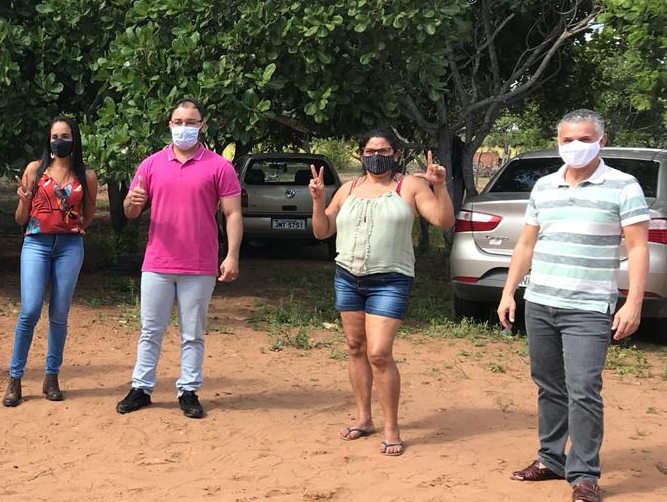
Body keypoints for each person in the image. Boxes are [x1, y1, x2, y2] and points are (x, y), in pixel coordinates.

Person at [497, 109, 649, 502]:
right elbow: (527, 243)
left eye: (584, 139)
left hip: (589, 306)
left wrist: (633, 303)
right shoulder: (545, 186)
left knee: (583, 389)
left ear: (602, 140)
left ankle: (583, 474)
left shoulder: (623, 186)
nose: (575, 147)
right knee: (548, 386)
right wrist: (508, 291)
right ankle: (550, 458)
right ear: (558, 141)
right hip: (541, 301)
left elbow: (637, 247)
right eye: (568, 140)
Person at [309, 129, 454, 456]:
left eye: (385, 150)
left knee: (379, 353)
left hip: (390, 280)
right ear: (361, 154)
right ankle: (364, 418)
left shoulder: (410, 187)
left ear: (397, 154)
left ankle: (391, 426)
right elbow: (322, 231)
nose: (378, 155)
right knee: (355, 347)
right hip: (348, 277)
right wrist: (318, 201)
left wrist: (440, 186)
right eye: (372, 150)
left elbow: (443, 220)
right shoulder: (348, 189)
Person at [115, 99, 242, 419]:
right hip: (157, 262)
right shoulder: (151, 164)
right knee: (150, 330)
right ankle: (141, 388)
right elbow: (131, 212)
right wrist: (132, 201)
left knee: (192, 332)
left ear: (202, 125)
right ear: (169, 124)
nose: (185, 127)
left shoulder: (219, 166)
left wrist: (232, 255)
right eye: (179, 121)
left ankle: (188, 390)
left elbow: (233, 213)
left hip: (199, 264)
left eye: (192, 121)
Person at [3, 116, 98, 407]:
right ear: (49, 139)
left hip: (70, 246)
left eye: (65, 135)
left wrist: (73, 227)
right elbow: (21, 219)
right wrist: (23, 200)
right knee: (29, 310)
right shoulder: (35, 169)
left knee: (59, 314)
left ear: (75, 139)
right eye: (55, 135)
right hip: (36, 243)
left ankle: (51, 375)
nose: (59, 140)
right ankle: (15, 378)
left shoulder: (87, 176)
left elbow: (89, 213)